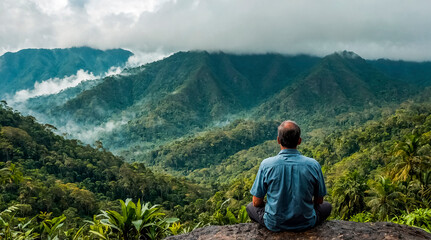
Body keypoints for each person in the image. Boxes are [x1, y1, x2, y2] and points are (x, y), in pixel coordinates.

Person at [246, 120, 331, 231]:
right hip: (306, 222)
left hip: (274, 223)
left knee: (250, 206)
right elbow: (319, 201)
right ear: (299, 141)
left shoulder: (266, 165)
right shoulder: (313, 165)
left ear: (278, 140)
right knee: (327, 206)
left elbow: (256, 202)